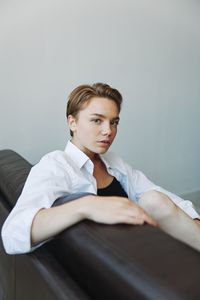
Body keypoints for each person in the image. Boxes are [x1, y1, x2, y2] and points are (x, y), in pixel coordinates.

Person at [1, 83, 200, 255]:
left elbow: (154, 193)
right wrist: (85, 206)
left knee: (153, 199)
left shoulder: (112, 161)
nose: (108, 131)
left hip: (143, 237)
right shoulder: (56, 165)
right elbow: (12, 235)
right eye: (97, 120)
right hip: (125, 256)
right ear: (73, 122)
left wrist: (194, 220)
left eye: (114, 122)